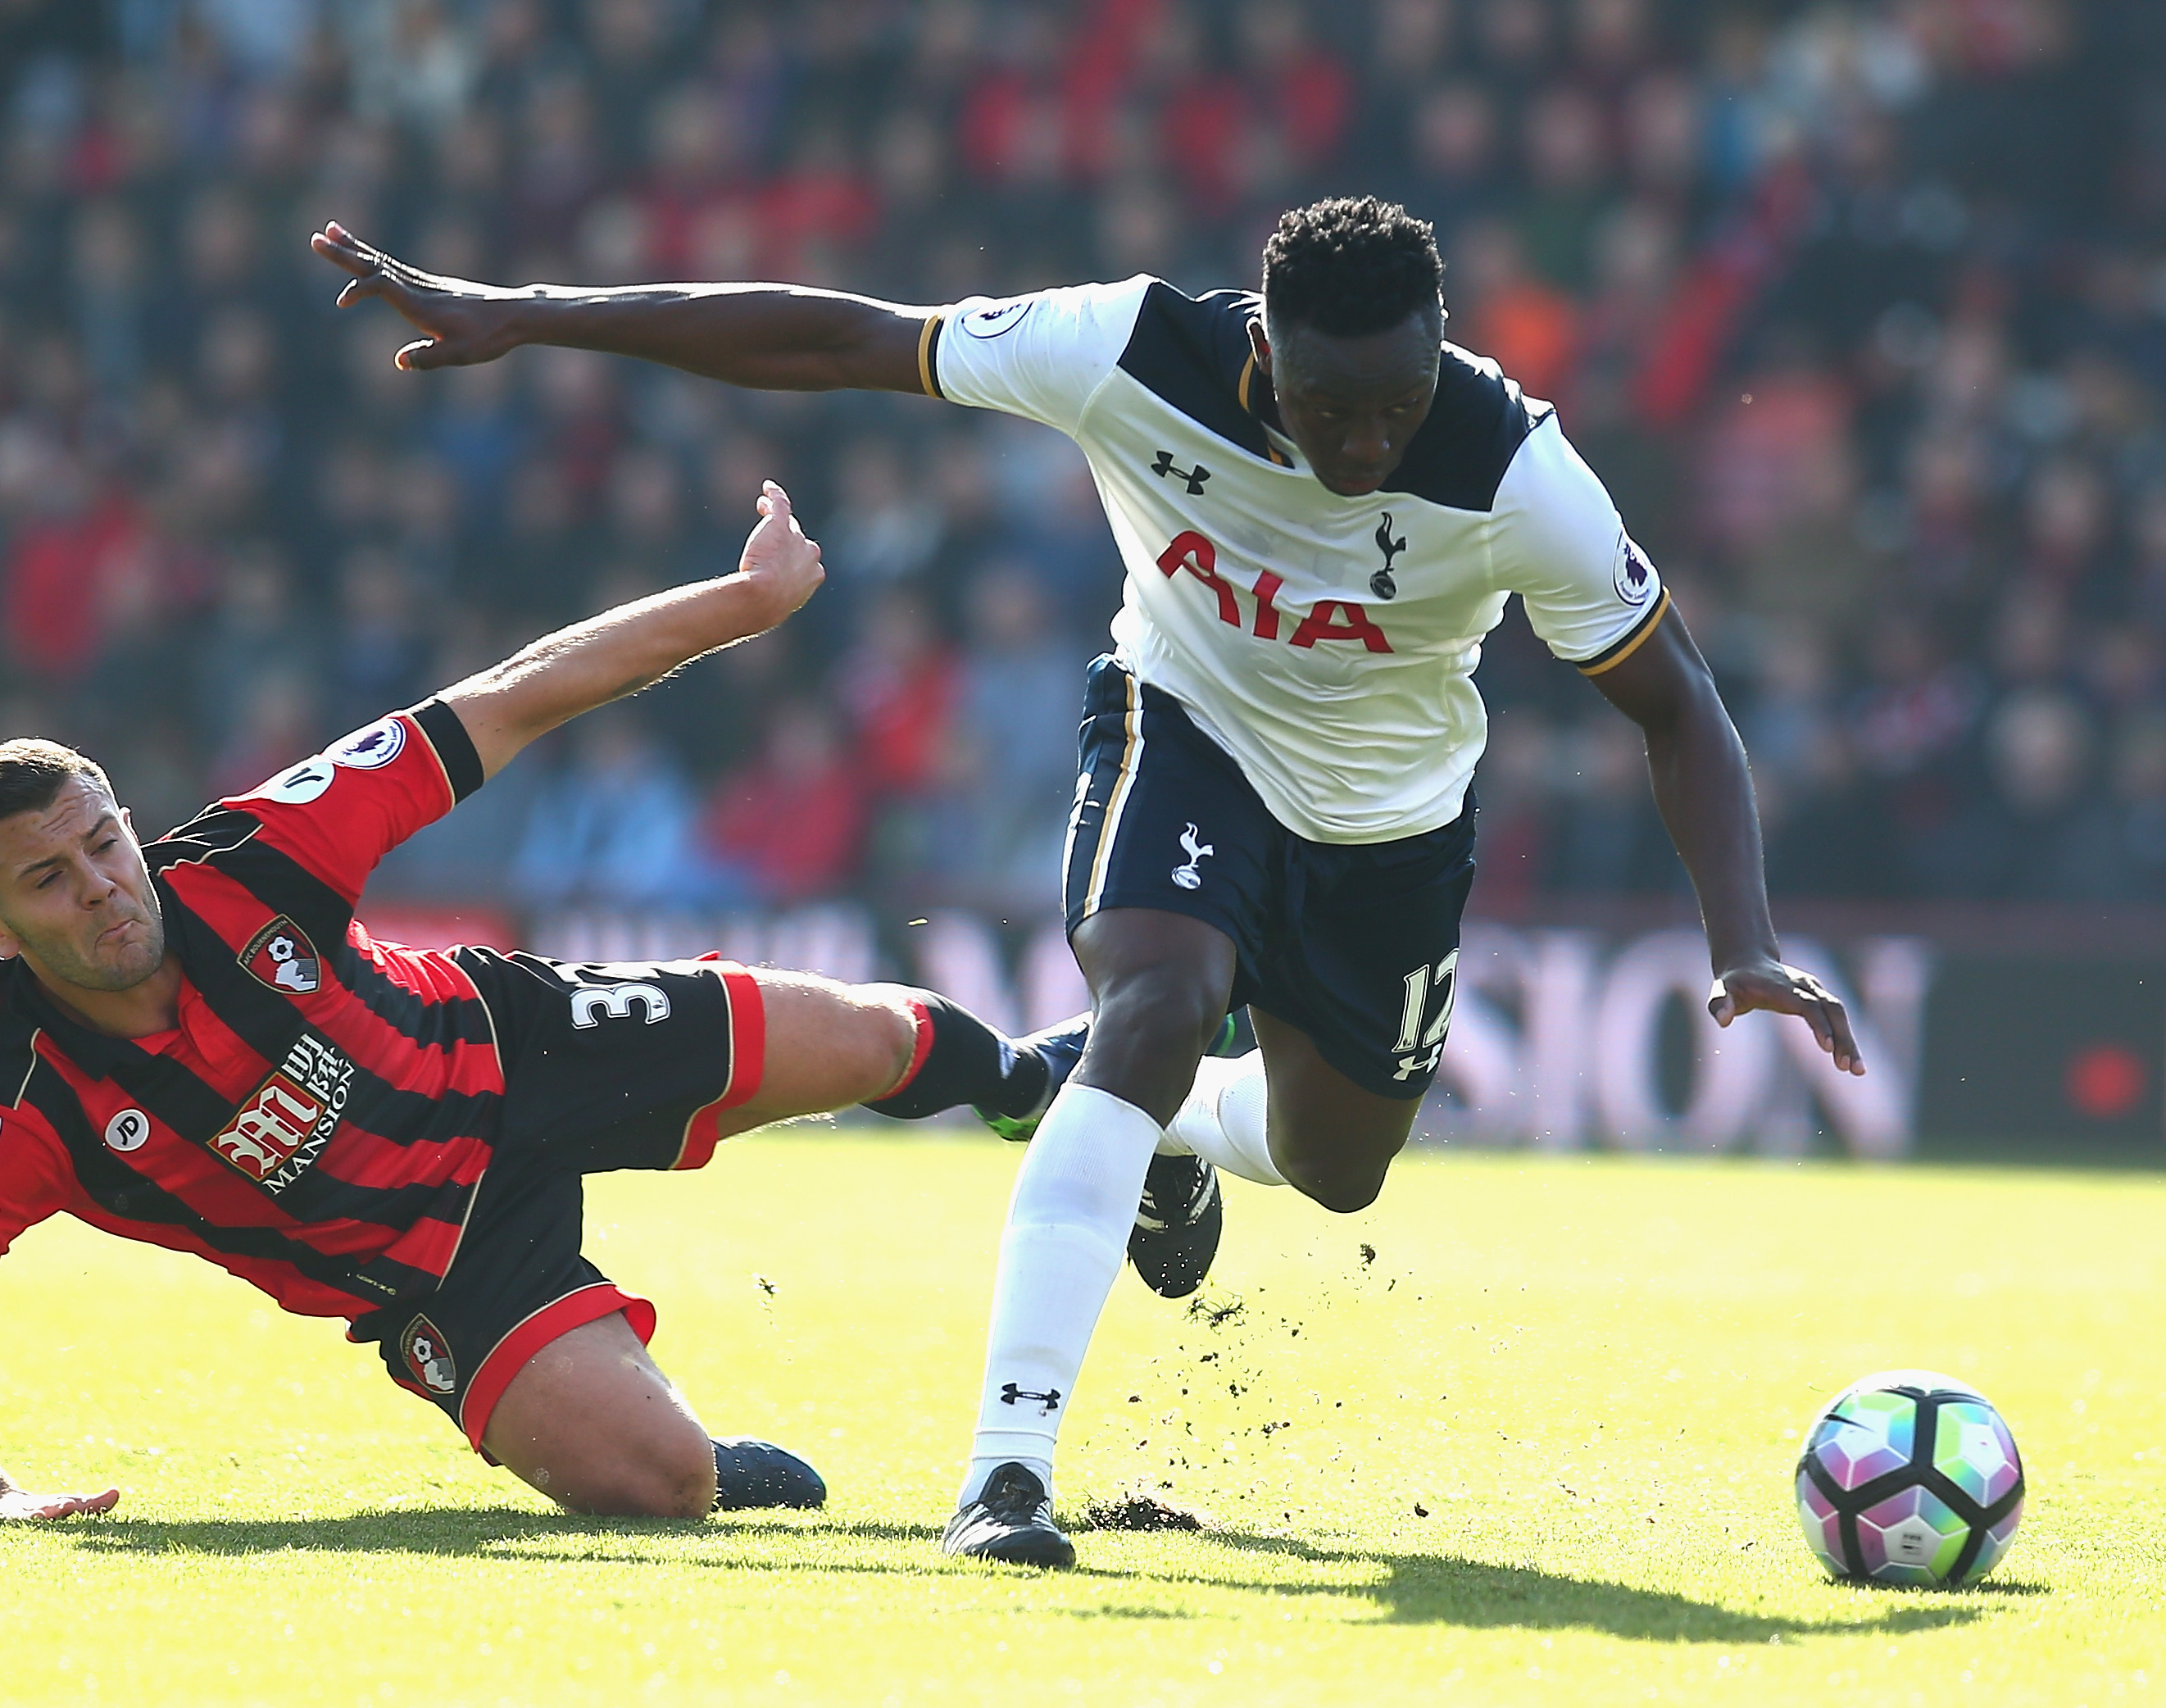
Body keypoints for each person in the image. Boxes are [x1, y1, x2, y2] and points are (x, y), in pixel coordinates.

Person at [311, 197, 1867, 1568]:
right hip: (1179, 735)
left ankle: (1176, 1136)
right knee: (1158, 1000)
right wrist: (533, 315)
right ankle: (1006, 1469)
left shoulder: (1519, 473)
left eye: (1394, 405)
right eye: (1329, 404)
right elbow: (850, 340)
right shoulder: (1129, 348)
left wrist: (1743, 939)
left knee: (1338, 1170)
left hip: (1391, 829)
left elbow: (1677, 704)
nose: (1361, 445)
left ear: (1440, 354)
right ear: (1265, 344)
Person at [0, 483, 1073, 1524]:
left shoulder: (258, 854)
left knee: (872, 1037)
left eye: (105, 843)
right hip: (441, 1273)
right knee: (657, 1484)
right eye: (50, 881)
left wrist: (745, 602)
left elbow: (520, 690)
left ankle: (1036, 1092)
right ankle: (703, 1459)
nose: (102, 887)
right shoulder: (23, 1106)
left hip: (516, 1046)